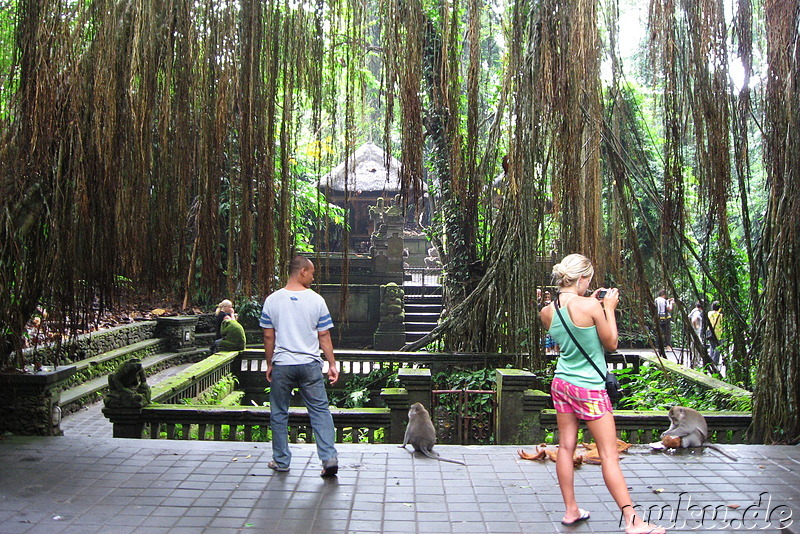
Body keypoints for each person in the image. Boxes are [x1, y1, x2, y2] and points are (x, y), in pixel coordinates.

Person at [539, 254, 666, 534]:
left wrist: (593, 303)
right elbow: (611, 343)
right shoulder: (592, 305)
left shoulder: (547, 311)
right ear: (582, 279)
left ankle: (571, 509)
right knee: (609, 455)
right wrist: (607, 307)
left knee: (565, 447)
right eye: (588, 280)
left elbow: (573, 334)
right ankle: (633, 521)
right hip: (589, 388)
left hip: (562, 383)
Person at [259, 255, 339, 477]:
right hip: (310, 365)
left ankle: (281, 460)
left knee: (279, 412)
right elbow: (323, 335)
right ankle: (328, 458)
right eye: (312, 273)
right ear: (302, 271)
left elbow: (268, 336)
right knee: (320, 411)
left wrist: (269, 363)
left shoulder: (272, 300)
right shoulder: (316, 300)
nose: (313, 277)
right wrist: (332, 363)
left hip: (283, 364)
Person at [707, 301, 723, 365]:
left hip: (710, 332)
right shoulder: (721, 316)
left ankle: (711, 361)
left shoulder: (709, 313)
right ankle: (715, 362)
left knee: (712, 347)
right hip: (718, 334)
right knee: (717, 348)